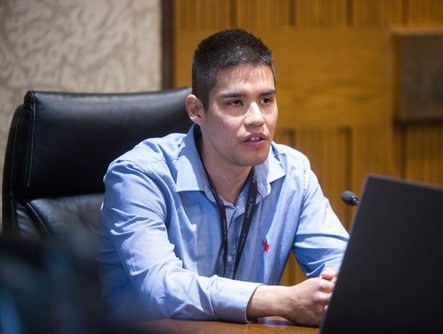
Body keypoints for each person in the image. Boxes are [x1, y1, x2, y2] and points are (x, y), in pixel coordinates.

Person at [98, 28, 349, 327]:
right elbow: (161, 288)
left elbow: (342, 266)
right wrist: (283, 300)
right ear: (196, 110)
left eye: (266, 100)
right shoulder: (139, 175)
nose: (257, 118)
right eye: (235, 103)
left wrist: (334, 287)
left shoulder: (294, 174)